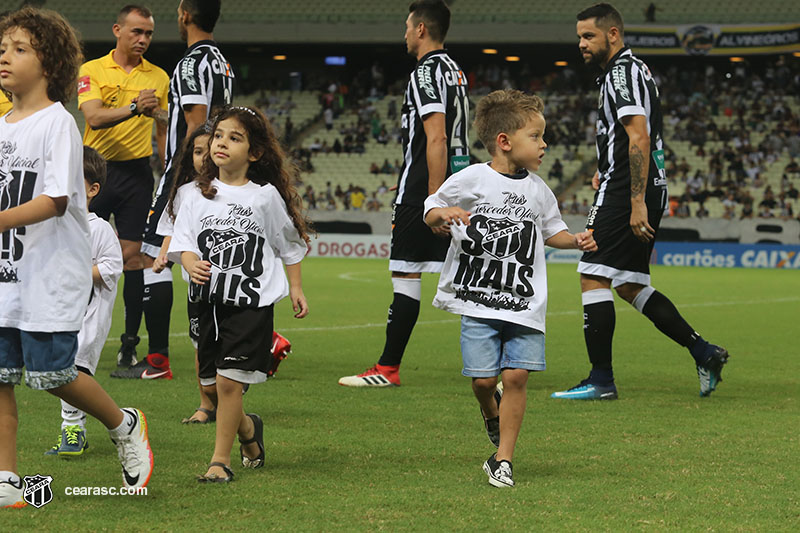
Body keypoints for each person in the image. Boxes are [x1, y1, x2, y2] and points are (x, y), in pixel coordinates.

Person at [0, 8, 153, 508]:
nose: (5, 55)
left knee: (54, 376)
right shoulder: (2, 124)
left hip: (45, 277)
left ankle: (123, 423)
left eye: (20, 48)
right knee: (0, 376)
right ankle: (6, 479)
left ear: (50, 63)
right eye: (4, 46)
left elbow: (56, 200)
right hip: (6, 273)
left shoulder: (58, 124)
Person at [551, 3, 729, 401]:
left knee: (593, 273)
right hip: (641, 181)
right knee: (630, 284)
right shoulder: (635, 70)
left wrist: (634, 201)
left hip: (629, 187)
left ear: (613, 34)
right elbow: (629, 137)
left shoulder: (620, 73)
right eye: (579, 36)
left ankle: (601, 381)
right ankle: (705, 352)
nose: (581, 43)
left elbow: (639, 138)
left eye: (588, 36)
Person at [424, 90, 596, 487]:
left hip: (524, 303)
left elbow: (553, 232)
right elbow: (431, 207)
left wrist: (577, 239)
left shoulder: (538, 190)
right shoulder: (471, 178)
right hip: (479, 301)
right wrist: (443, 212)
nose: (544, 145)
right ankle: (490, 411)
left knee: (516, 376)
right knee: (484, 382)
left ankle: (503, 459)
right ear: (505, 141)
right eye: (535, 136)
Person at [167, 106, 310, 482]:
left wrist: (295, 287)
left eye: (235, 137)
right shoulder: (191, 194)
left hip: (250, 303)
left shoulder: (264, 198)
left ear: (255, 153)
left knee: (230, 383)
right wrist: (188, 261)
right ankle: (249, 431)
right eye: (218, 136)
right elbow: (181, 242)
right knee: (214, 386)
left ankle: (220, 461)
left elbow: (289, 245)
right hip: (205, 302)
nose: (222, 143)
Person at [339, 0, 469, 387]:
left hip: (429, 189)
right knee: (471, 277)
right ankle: (494, 368)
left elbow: (436, 136)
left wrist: (433, 198)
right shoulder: (455, 70)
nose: (405, 34)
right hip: (458, 180)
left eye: (407, 27)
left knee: (406, 271)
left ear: (422, 29)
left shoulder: (426, 72)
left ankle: (387, 369)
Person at [119, 0, 235, 379]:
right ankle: (254, 342)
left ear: (185, 15)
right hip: (220, 169)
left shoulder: (190, 63)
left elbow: (197, 126)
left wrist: (187, 176)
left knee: (153, 254)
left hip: (190, 170)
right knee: (203, 261)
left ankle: (157, 361)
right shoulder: (223, 63)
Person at [77, 4, 169, 372]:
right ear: (117, 29)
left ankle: (129, 344)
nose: (143, 39)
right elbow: (94, 118)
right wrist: (135, 107)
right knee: (81, 253)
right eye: (136, 32)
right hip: (92, 170)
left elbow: (161, 125)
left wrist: (168, 171)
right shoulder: (92, 69)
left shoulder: (159, 77)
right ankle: (73, 329)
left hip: (136, 174)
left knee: (131, 259)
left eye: (148, 33)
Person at [45, 147, 123, 457]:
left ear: (92, 189)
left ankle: (73, 429)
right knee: (57, 371)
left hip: (88, 315)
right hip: (55, 313)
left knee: (72, 368)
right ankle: (114, 421)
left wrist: (72, 273)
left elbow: (110, 267)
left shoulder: (100, 229)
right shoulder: (52, 224)